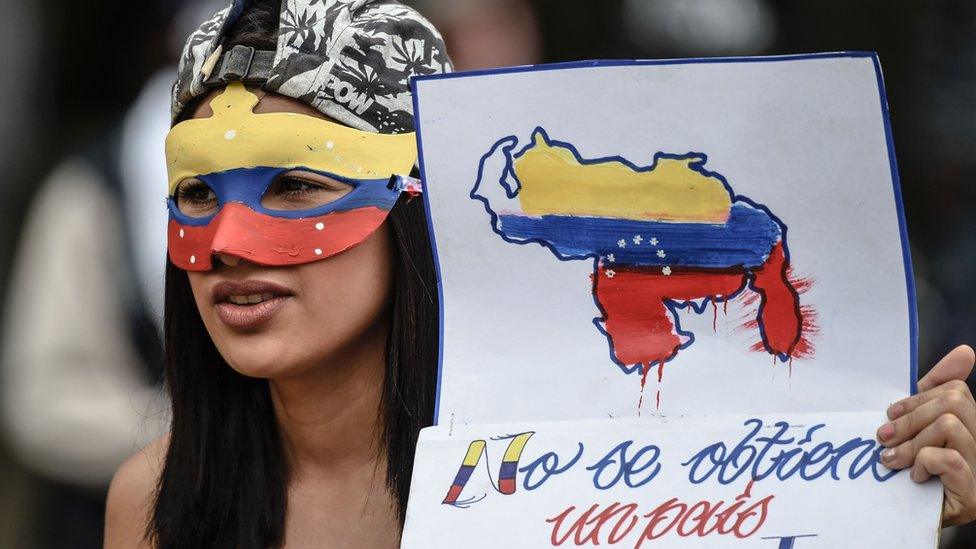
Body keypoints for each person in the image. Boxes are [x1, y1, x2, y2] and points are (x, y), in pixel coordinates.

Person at [105, 1, 976, 548]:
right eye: (195, 192)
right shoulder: (155, 497)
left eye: (296, 184)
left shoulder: (579, 471)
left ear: (420, 203)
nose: (228, 241)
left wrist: (888, 513)